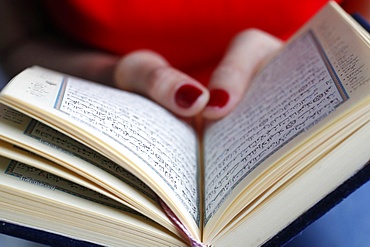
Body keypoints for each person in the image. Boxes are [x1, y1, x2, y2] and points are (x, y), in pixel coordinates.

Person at [0, 0, 369, 121]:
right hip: (107, 124)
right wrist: (110, 74)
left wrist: (302, 61)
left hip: (305, 123)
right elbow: (18, 42)